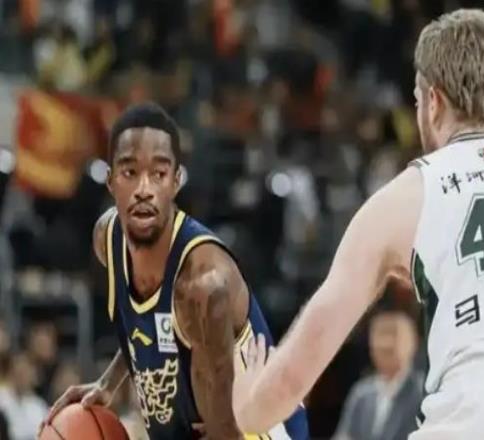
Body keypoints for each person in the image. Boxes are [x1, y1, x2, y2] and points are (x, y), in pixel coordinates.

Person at [232, 9, 484, 440]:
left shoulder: (402, 199)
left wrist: (244, 409)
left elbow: (290, 381)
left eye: (417, 102)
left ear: (433, 103)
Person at [44, 102, 309, 439]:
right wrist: (108, 383)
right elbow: (148, 330)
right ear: (111, 181)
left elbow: (223, 430)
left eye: (158, 173)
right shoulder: (107, 240)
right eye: (130, 172)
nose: (143, 189)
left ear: (176, 181)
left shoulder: (202, 285)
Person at [333, 309, 422, 440]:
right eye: (380, 334)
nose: (385, 343)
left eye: (393, 333)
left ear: (413, 342)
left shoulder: (422, 393)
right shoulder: (361, 394)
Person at [0, 352, 48, 440]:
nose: (22, 378)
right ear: (10, 373)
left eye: (26, 373)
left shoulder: (39, 405)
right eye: (19, 373)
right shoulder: (2, 399)